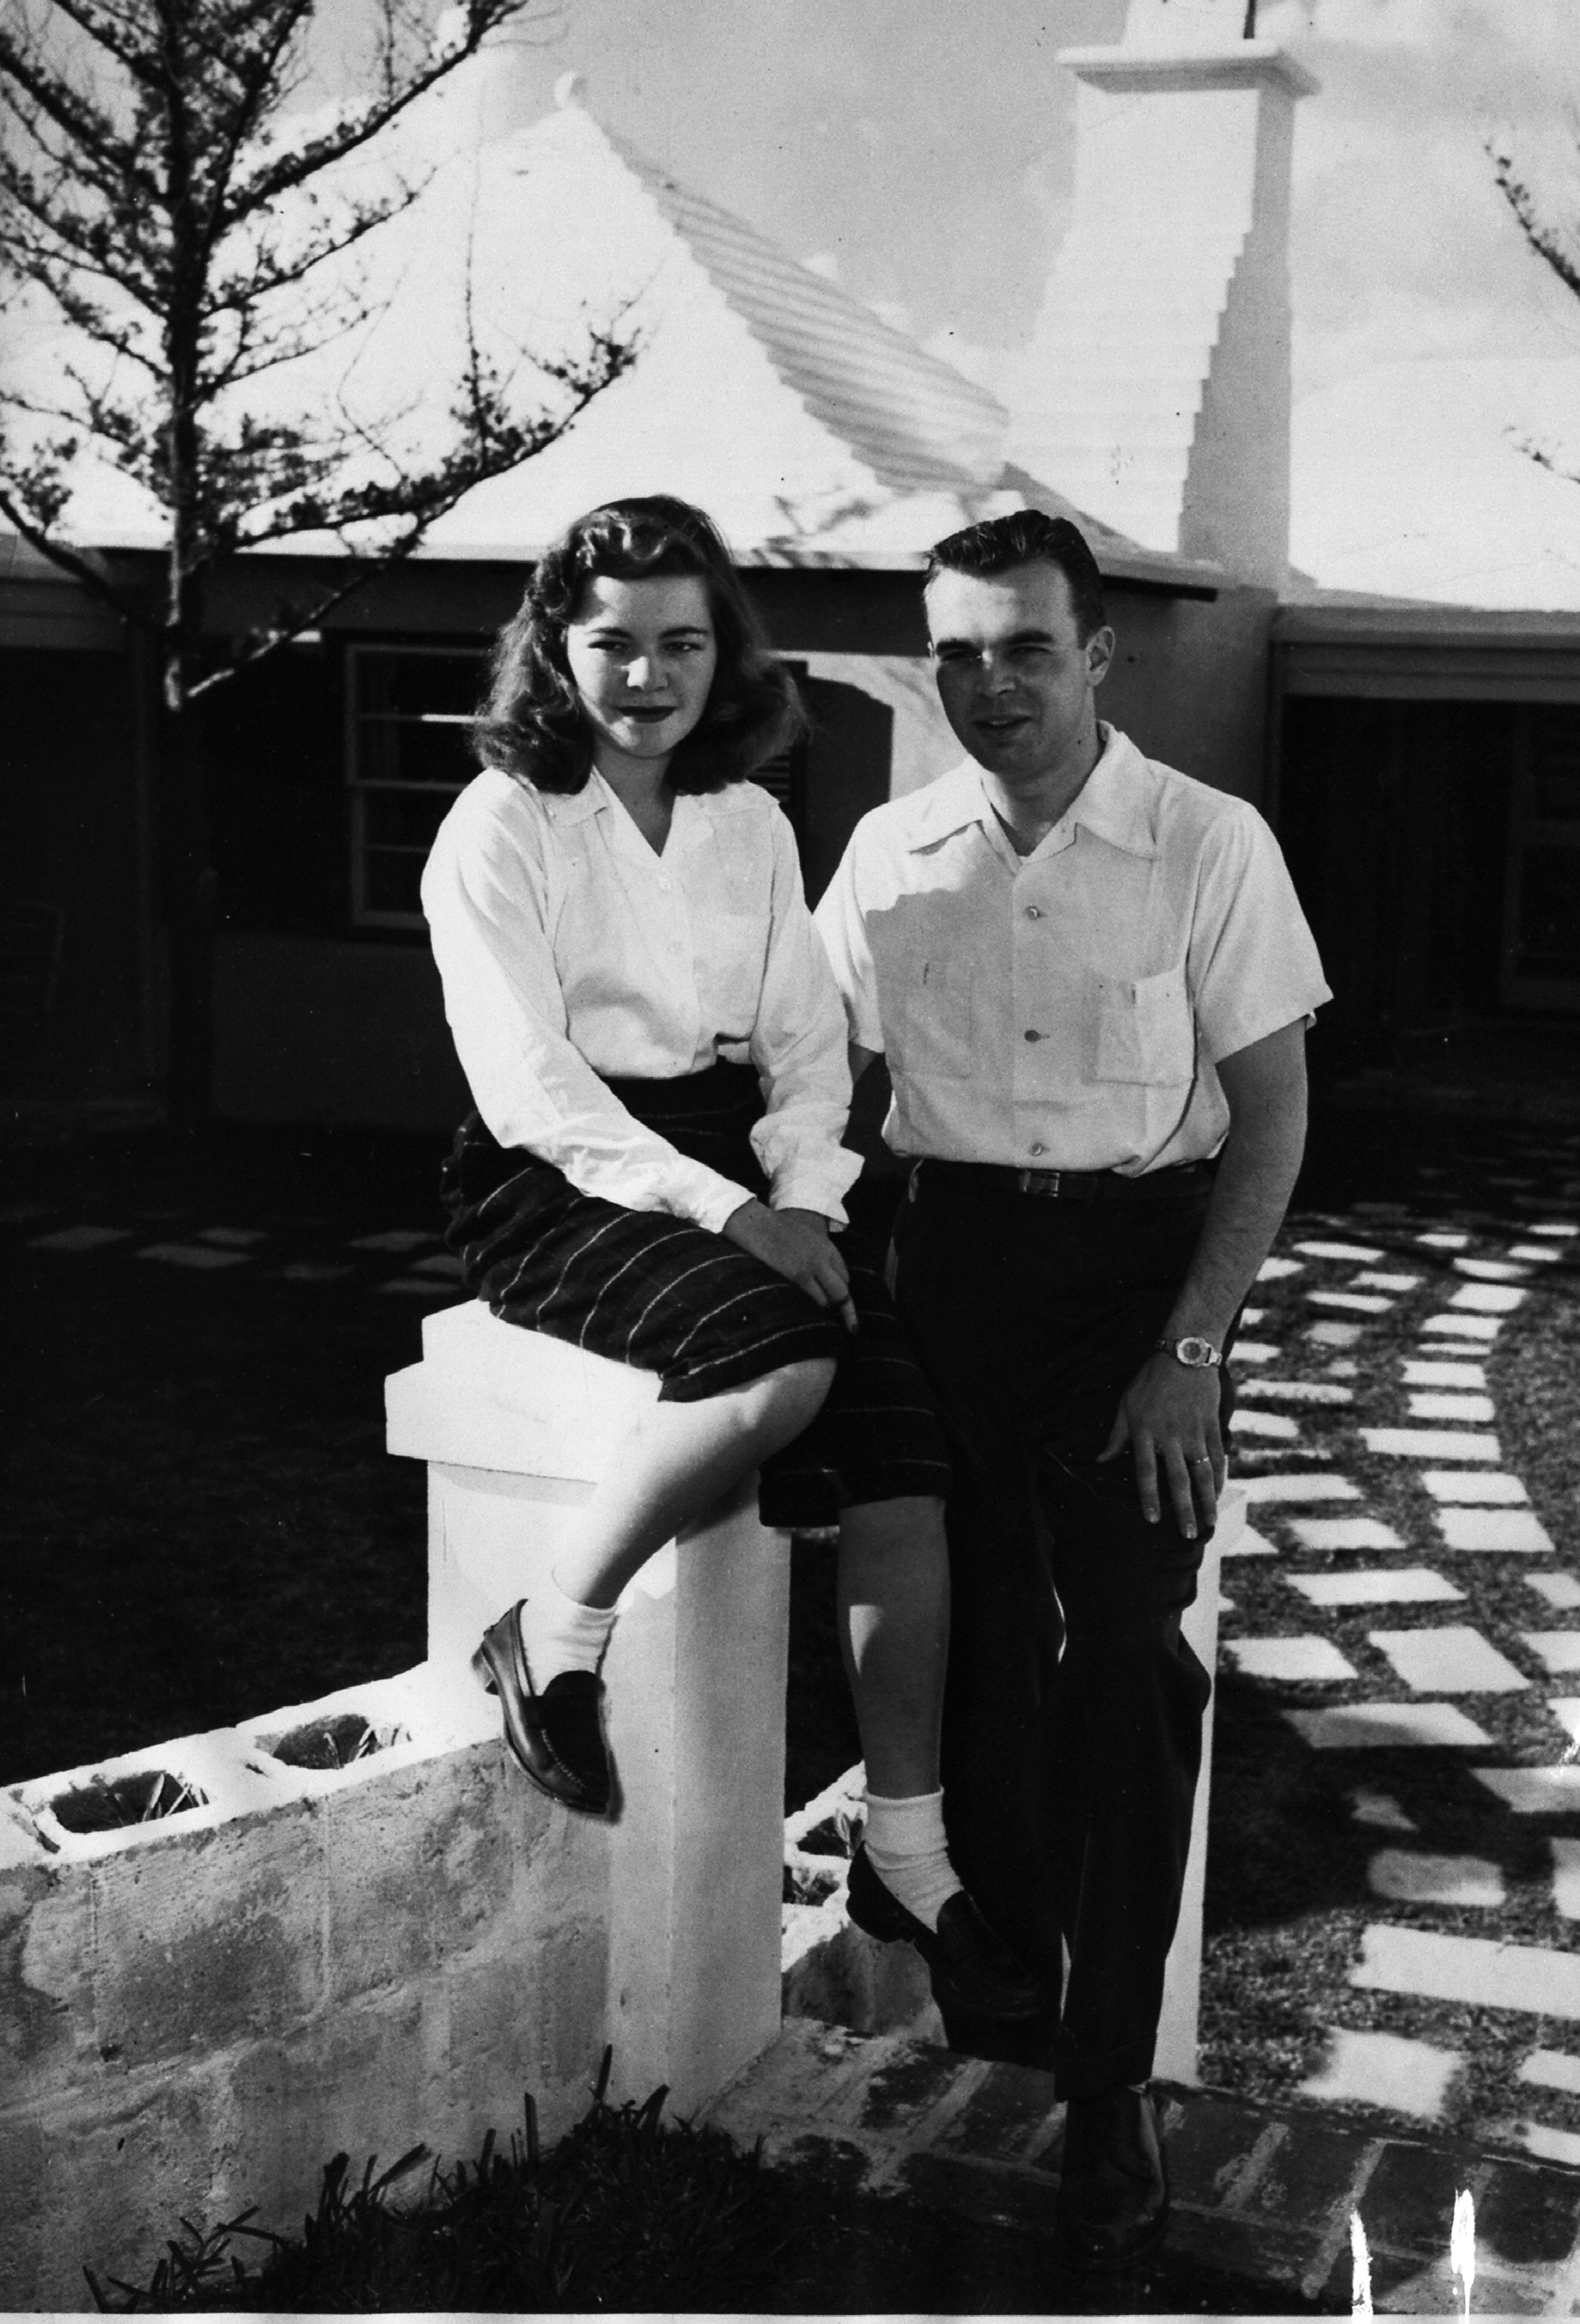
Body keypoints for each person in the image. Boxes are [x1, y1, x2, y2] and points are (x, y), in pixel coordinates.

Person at [419, 495, 1040, 2025]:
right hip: (554, 1177)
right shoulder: (500, 824)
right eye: (613, 642)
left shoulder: (749, 821)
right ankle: (556, 1627)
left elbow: (804, 1045)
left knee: (907, 1455)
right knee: (781, 1358)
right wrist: (733, 1215)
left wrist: (808, 1197)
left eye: (682, 643)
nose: (649, 676)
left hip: (742, 1164)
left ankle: (907, 1852)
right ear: (554, 651)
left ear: (724, 654)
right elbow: (533, 1088)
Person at [814, 509, 1330, 2271]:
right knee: (971, 1638)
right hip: (948, 1263)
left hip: (1133, 1288)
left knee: (1124, 1660)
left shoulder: (1206, 841)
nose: (991, 683)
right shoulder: (888, 853)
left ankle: (1108, 2087)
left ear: (1098, 655)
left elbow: (1273, 1117)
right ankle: (997, 1973)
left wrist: (1191, 1349)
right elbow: (808, 1069)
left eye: (1026, 646)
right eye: (956, 652)